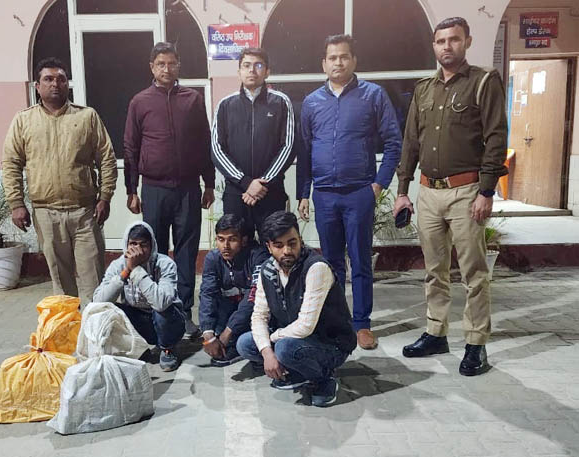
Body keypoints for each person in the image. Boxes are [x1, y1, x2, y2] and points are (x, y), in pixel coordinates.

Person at [393, 17, 508, 376]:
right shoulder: (424, 89)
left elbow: (496, 137)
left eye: (454, 39)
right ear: (434, 45)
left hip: (467, 192)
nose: (447, 46)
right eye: (441, 41)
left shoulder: (483, 82)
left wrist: (486, 191)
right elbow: (410, 142)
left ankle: (476, 343)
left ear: (466, 42)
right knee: (434, 271)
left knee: (474, 273)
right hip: (428, 192)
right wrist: (403, 191)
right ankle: (436, 333)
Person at [297, 35, 402, 350]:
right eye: (332, 57)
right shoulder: (312, 102)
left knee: (360, 260)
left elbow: (394, 142)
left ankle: (362, 324)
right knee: (330, 264)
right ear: (323, 64)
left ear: (354, 60)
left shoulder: (373, 95)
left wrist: (379, 184)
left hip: (359, 193)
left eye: (344, 57)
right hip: (324, 194)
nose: (338, 62)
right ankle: (336, 322)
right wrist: (304, 193)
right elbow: (305, 150)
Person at [2, 57, 117, 305]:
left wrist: (105, 197)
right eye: (48, 79)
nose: (55, 84)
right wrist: (16, 203)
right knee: (61, 287)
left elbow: (106, 158)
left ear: (67, 84)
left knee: (94, 282)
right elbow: (11, 163)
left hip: (85, 213)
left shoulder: (86, 117)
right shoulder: (24, 121)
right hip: (46, 214)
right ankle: (68, 328)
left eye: (61, 79)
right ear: (37, 86)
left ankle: (94, 328)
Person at [124, 42, 215, 339]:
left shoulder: (192, 100)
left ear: (178, 66)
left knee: (187, 253)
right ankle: (159, 312)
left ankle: (183, 312)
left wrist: (209, 183)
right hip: (154, 189)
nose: (167, 68)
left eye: (172, 63)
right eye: (161, 64)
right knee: (155, 252)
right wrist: (131, 189)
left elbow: (204, 143)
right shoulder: (140, 102)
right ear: (152, 67)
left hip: (188, 188)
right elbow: (131, 147)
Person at [236, 211, 357, 407]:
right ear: (268, 246)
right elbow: (259, 316)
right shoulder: (267, 270)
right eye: (279, 245)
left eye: (292, 243)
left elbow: (305, 326)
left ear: (300, 240)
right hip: (293, 338)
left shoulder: (316, 268)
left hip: (330, 343)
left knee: (283, 349)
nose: (287, 251)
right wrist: (267, 353)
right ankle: (297, 371)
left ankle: (323, 379)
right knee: (245, 344)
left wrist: (272, 340)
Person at [211, 47, 295, 238]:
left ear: (267, 71)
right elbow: (216, 149)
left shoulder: (281, 102)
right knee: (238, 247)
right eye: (246, 65)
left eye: (258, 65)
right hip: (236, 194)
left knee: (273, 246)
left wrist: (262, 184)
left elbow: (288, 147)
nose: (252, 70)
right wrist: (246, 183)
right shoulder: (226, 105)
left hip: (271, 192)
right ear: (239, 71)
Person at [93, 221, 186, 372]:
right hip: (140, 320)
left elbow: (161, 303)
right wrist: (125, 273)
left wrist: (136, 270)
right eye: (133, 244)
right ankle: (138, 349)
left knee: (162, 308)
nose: (138, 250)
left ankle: (168, 349)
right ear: (126, 245)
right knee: (107, 310)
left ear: (152, 245)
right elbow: (98, 301)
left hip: (169, 321)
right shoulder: (118, 265)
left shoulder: (165, 264)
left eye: (143, 245)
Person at [199, 214, 269, 366]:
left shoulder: (258, 256)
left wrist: (228, 332)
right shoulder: (213, 258)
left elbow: (254, 297)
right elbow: (207, 294)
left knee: (245, 335)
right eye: (221, 239)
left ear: (244, 240)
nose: (225, 246)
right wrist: (208, 335)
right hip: (229, 309)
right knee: (214, 324)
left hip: (254, 313)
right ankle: (230, 343)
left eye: (232, 239)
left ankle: (239, 344)